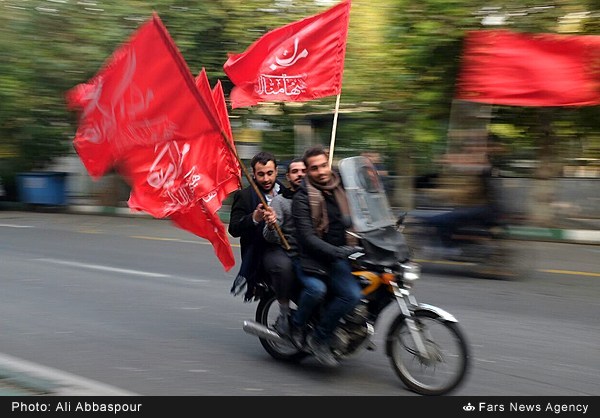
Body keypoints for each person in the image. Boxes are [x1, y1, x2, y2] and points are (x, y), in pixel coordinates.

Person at [290, 145, 363, 367]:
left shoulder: (341, 187)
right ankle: (318, 337)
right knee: (350, 295)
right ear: (308, 171)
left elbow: (361, 213)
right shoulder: (302, 198)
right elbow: (307, 238)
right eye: (314, 168)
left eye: (323, 165)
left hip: (344, 252)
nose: (321, 172)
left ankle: (354, 326)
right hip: (315, 258)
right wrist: (336, 252)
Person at [228, 151, 283, 302]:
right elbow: (233, 229)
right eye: (261, 174)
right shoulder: (244, 196)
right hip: (261, 254)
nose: (266, 179)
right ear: (253, 173)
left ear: (276, 171)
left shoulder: (285, 193)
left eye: (270, 173)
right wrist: (254, 218)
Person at [262, 158, 306, 336]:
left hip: (312, 253)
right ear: (288, 176)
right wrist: (272, 225)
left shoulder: (318, 197)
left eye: (304, 171)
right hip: (287, 252)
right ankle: (284, 315)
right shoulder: (280, 202)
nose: (300, 175)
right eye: (295, 172)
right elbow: (268, 236)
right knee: (284, 268)